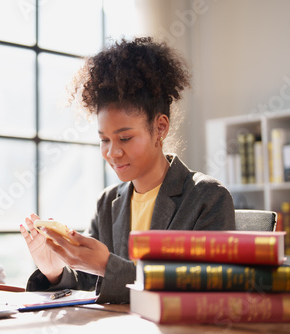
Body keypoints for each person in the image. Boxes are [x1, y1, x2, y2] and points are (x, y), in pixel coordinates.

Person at [19, 37, 235, 304]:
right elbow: (89, 285)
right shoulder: (108, 203)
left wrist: (107, 266)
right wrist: (54, 270)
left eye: (124, 138)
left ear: (160, 127)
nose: (112, 152)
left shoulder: (207, 198)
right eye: (104, 140)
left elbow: (203, 291)